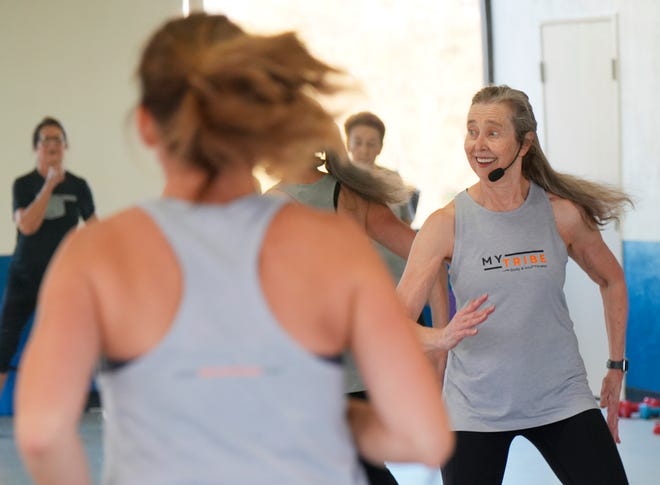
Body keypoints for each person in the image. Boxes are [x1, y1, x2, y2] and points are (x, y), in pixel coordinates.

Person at [15, 13, 457, 485]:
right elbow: (421, 437)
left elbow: (42, 435)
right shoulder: (332, 244)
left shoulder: (96, 254)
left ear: (147, 126)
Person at [397, 85, 631, 484]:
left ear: (525, 143)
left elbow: (612, 280)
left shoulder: (562, 216)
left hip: (562, 397)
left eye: (492, 131)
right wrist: (441, 338)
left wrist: (614, 365)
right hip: (475, 408)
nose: (478, 144)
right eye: (472, 131)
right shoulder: (445, 224)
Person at [269, 148, 492, 485]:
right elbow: (431, 260)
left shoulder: (287, 201)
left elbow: (430, 259)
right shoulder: (345, 195)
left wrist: (439, 342)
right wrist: (438, 339)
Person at [0, 117, 97, 397]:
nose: (52, 145)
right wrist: (49, 186)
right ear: (36, 148)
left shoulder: (79, 186)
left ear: (66, 146)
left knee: (64, 345)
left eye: (58, 140)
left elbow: (93, 227)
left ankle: (61, 414)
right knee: (5, 344)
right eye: (46, 140)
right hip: (23, 277)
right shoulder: (23, 184)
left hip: (61, 278)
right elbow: (27, 226)